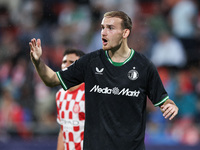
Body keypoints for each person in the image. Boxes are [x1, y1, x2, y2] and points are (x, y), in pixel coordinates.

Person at [29, 11, 178, 150]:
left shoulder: (144, 66)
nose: (103, 32)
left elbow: (163, 100)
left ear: (125, 32)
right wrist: (38, 62)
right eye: (102, 28)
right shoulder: (90, 62)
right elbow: (52, 79)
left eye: (111, 28)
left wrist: (170, 105)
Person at [56, 49, 85, 150]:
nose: (66, 65)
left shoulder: (90, 94)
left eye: (72, 62)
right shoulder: (60, 95)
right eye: (64, 62)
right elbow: (62, 130)